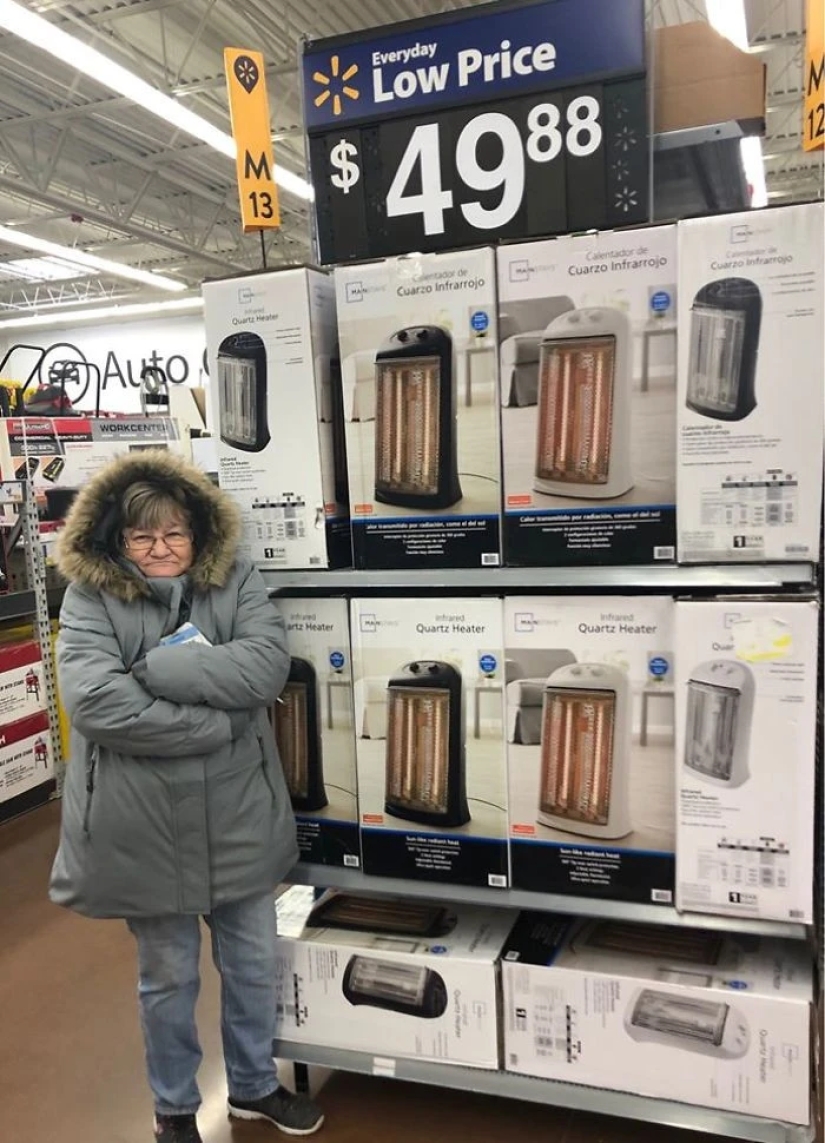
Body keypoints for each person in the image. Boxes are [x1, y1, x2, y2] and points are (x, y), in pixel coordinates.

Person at [49, 449, 324, 1143]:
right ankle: (174, 1107)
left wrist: (166, 667)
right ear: (116, 540)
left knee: (254, 961)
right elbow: (96, 701)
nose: (159, 548)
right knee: (167, 979)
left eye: (174, 534)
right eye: (142, 537)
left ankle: (255, 1085)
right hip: (139, 824)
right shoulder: (88, 596)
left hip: (238, 813)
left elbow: (265, 667)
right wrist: (215, 721)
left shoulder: (236, 578)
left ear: (199, 535)